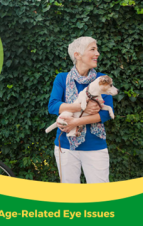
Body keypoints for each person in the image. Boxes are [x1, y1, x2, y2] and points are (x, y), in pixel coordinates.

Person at [48, 36, 114, 184]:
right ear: (77, 55)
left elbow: (104, 114)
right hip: (66, 146)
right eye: (92, 49)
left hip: (95, 146)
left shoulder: (101, 79)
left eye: (97, 49)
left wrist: (75, 122)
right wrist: (80, 107)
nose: (97, 53)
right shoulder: (62, 79)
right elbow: (53, 106)